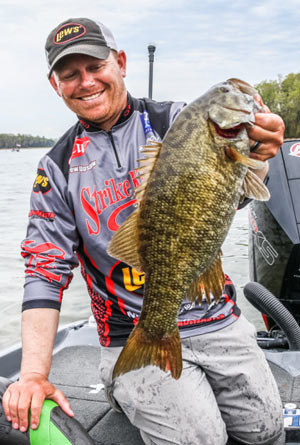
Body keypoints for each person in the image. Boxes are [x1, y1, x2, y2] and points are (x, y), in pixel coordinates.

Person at [2, 17, 285, 445]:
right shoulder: (56, 167)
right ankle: (128, 378)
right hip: (130, 331)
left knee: (267, 433)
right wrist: (35, 375)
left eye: (95, 66)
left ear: (120, 62)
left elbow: (226, 200)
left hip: (217, 318)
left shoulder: (177, 122)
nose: (86, 81)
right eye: (70, 74)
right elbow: (44, 270)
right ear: (55, 85)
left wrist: (260, 152)